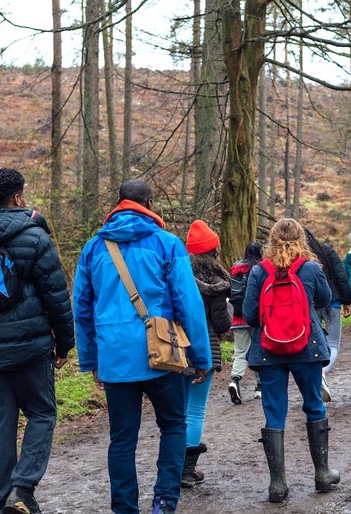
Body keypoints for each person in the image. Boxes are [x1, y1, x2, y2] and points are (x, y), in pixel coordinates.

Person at [73, 180, 211, 514]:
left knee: (122, 439)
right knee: (174, 425)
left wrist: (90, 359)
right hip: (161, 354)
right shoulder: (168, 244)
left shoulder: (93, 248)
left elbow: (81, 307)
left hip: (115, 356)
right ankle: (164, 500)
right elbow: (188, 302)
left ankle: (124, 508)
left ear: (118, 204)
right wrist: (201, 356)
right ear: (149, 203)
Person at [0, 167, 75, 514]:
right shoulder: (35, 237)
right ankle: (21, 490)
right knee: (41, 413)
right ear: (18, 197)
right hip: (32, 348)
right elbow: (56, 295)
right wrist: (64, 343)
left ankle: (0, 499)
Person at [241, 218, 339, 503]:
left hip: (269, 351)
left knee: (274, 412)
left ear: (271, 241)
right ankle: (322, 474)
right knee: (313, 404)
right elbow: (325, 297)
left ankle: (277, 485)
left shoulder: (260, 271)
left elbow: (248, 313)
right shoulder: (310, 268)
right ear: (301, 240)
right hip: (307, 348)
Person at [183, 219, 232, 487]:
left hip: (176, 349)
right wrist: (229, 310)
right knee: (195, 410)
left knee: (178, 410)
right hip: (206, 349)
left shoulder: (176, 273)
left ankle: (172, 464)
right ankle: (187, 470)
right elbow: (223, 325)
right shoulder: (216, 280)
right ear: (213, 250)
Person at [305, 228, 351, 402]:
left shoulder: (302, 257)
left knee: (316, 342)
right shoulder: (327, 250)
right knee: (333, 343)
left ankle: (316, 378)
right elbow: (341, 275)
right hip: (332, 301)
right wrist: (347, 300)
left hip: (312, 304)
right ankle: (323, 373)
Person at [228, 242, 264, 404]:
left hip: (238, 317)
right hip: (256, 317)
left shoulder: (235, 269)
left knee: (240, 352)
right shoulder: (261, 268)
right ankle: (259, 387)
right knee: (260, 351)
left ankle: (235, 380)